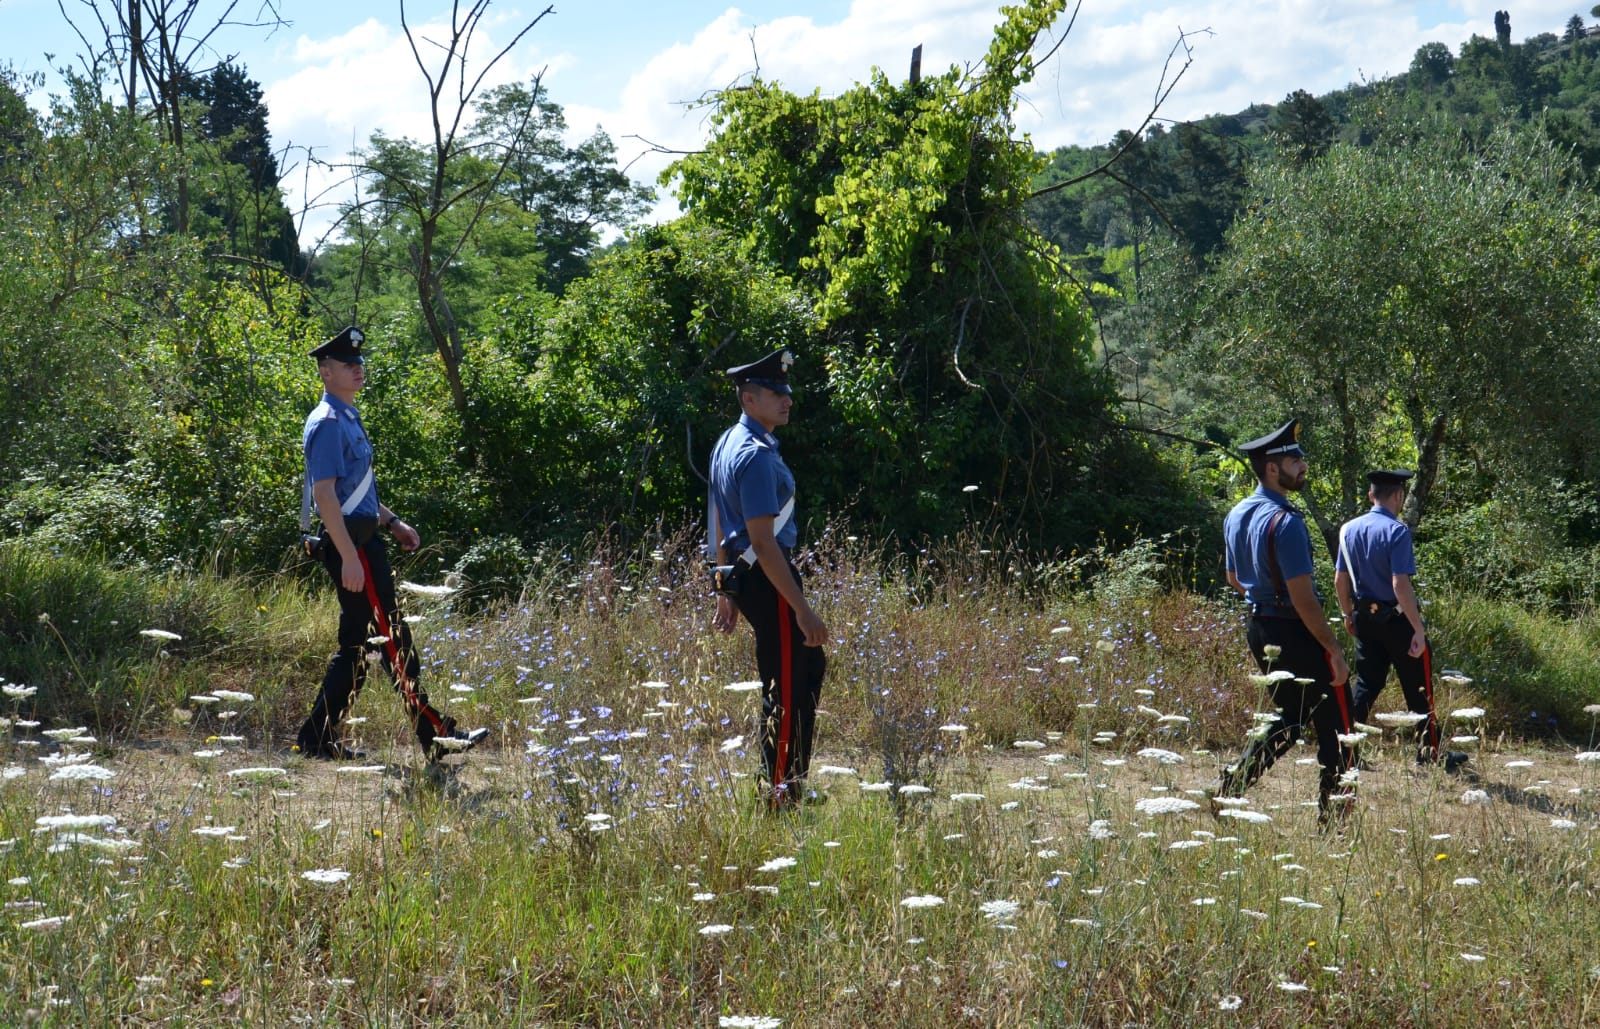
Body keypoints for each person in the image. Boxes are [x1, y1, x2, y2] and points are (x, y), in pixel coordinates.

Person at [294, 326, 487, 763]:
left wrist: (393, 521)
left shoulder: (347, 416)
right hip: (353, 547)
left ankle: (316, 738)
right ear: (326, 372)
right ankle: (436, 734)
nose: (357, 368)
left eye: (359, 362)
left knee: (360, 647)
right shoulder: (327, 423)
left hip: (364, 540)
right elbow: (325, 496)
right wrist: (348, 557)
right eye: (347, 364)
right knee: (393, 640)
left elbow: (355, 492)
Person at [1216, 418, 1357, 823]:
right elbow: (1304, 598)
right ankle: (1335, 822)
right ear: (1272, 468)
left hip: (1259, 627)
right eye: (1295, 461)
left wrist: (1265, 597)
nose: (1303, 466)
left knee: (1292, 717)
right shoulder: (1287, 522)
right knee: (1339, 726)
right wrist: (1333, 649)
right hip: (1295, 629)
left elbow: (1232, 578)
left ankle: (1232, 787)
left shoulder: (1237, 514)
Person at [708, 347, 828, 810]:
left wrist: (725, 590)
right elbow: (761, 542)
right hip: (768, 575)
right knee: (789, 684)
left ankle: (785, 783)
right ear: (748, 399)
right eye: (776, 393)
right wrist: (803, 608)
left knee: (802, 670)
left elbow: (719, 526)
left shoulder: (728, 442)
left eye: (786, 392)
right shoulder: (755, 456)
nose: (787, 400)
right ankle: (780, 794)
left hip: (749, 577)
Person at [1335, 469, 1467, 770]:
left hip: (1364, 617)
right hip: (1396, 620)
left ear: (1371, 496)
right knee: (1418, 687)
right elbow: (1400, 584)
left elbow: (1339, 580)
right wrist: (1417, 629)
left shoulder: (1347, 530)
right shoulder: (1397, 531)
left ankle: (1345, 749)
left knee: (1366, 683)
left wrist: (1347, 613)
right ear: (1398, 495)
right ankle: (1430, 753)